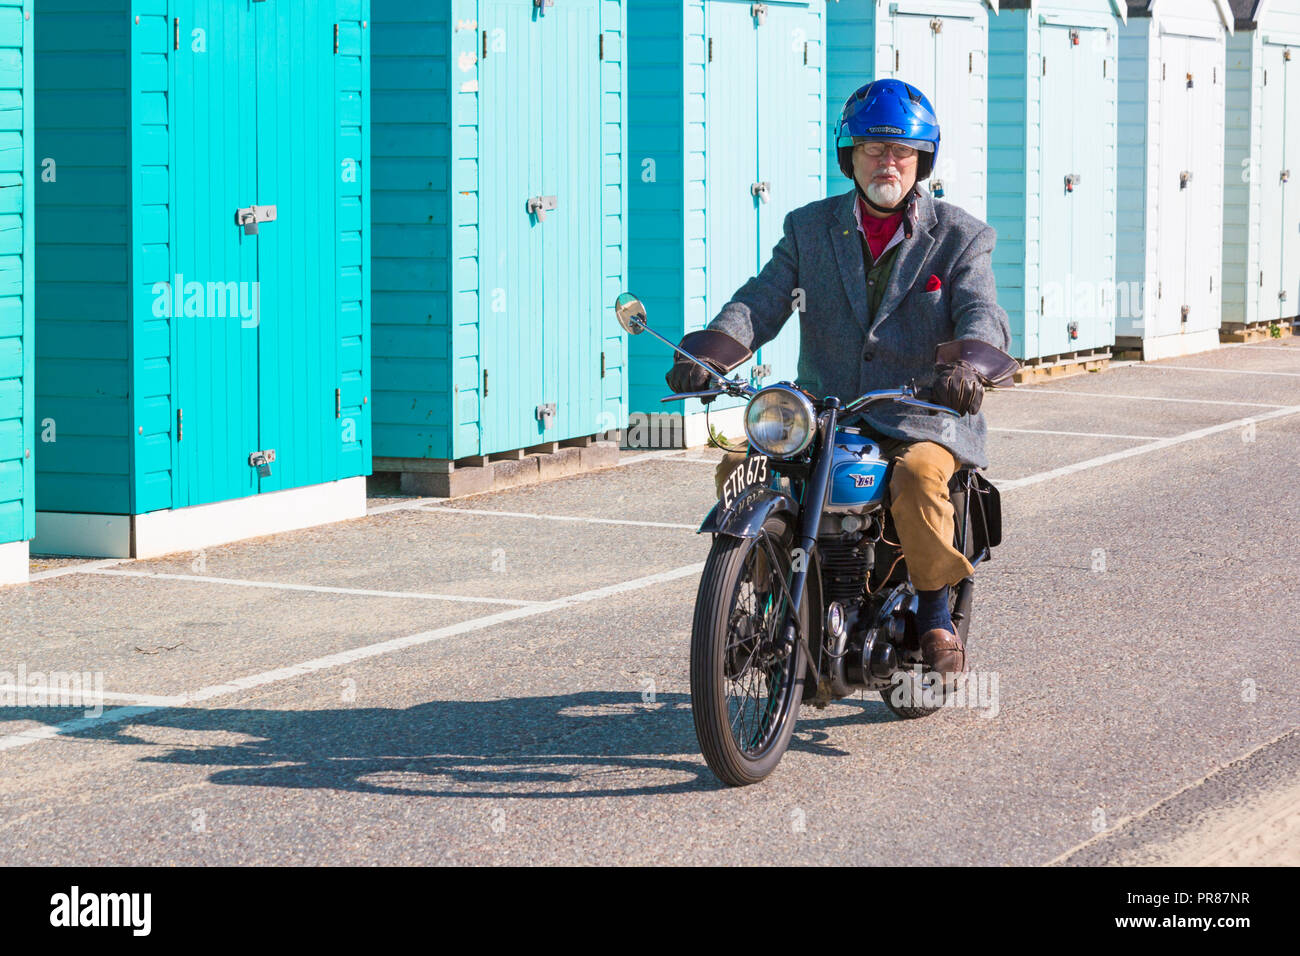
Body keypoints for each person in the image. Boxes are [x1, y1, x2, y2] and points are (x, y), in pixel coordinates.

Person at [665, 78, 1013, 684]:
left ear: (921, 160)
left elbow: (984, 313)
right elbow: (760, 301)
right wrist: (713, 353)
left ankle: (934, 615)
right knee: (743, 469)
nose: (888, 161)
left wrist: (970, 368)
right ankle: (758, 600)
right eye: (874, 148)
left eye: (902, 150)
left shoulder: (960, 237)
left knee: (917, 476)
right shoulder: (809, 228)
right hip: (823, 410)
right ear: (848, 157)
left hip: (920, 410)